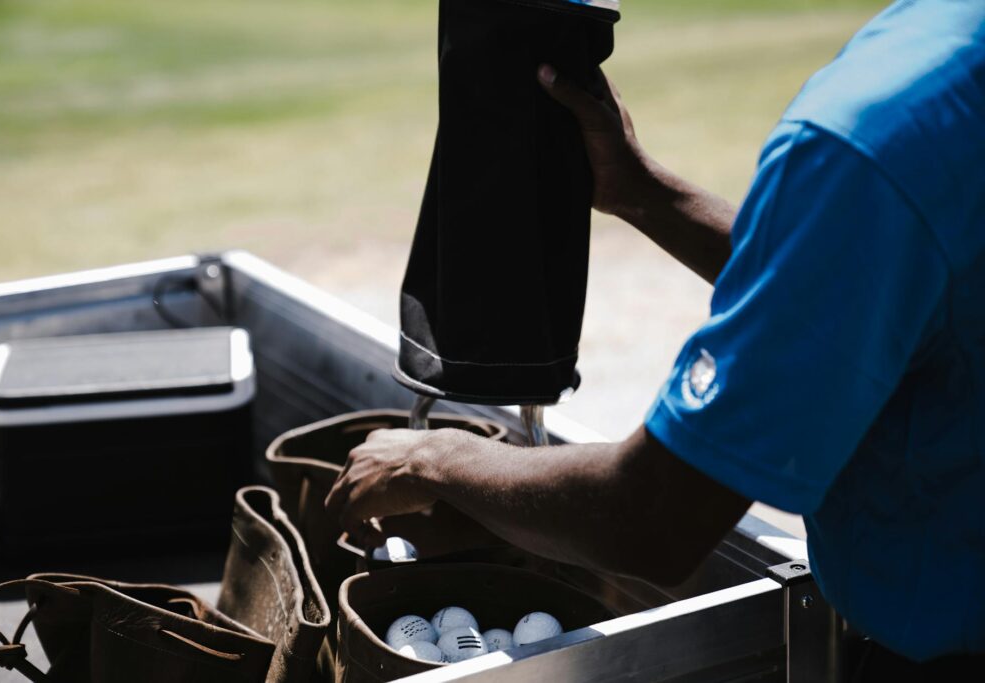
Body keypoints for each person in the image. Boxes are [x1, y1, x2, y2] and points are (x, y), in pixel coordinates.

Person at [326, 0, 984, 676]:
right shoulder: (955, 60)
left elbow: (656, 516)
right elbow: (870, 279)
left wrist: (433, 460)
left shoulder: (873, 131)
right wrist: (645, 194)